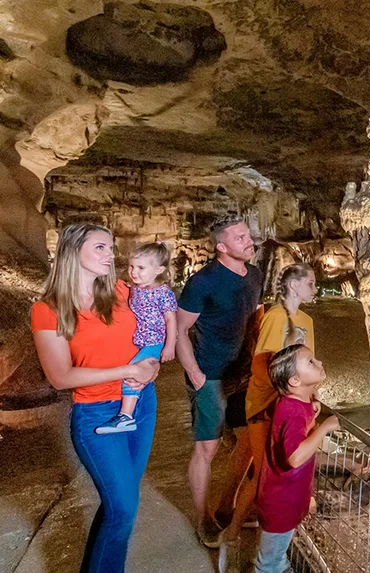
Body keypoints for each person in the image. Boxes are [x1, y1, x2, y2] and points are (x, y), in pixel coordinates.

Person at [31, 223, 160, 573]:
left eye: (110, 247)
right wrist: (127, 372)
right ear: (73, 251)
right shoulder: (49, 309)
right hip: (98, 413)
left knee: (122, 506)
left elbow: (152, 328)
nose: (110, 255)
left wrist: (154, 360)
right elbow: (60, 377)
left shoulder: (121, 291)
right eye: (101, 247)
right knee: (122, 509)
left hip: (141, 404)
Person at [175, 214, 263, 543]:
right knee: (207, 448)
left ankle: (228, 507)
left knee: (249, 441)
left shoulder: (254, 275)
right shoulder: (203, 282)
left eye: (247, 234)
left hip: (241, 373)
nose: (249, 240)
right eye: (240, 238)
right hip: (208, 374)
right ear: (222, 247)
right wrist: (195, 374)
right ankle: (204, 518)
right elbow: (181, 329)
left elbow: (252, 316)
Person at [220, 263, 318, 547]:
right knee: (266, 473)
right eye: (310, 282)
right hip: (266, 405)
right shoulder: (275, 316)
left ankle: (243, 520)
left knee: (271, 470)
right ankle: (234, 533)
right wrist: (284, 396)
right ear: (294, 285)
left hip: (291, 407)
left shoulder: (307, 321)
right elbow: (262, 363)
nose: (314, 288)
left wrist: (310, 398)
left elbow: (308, 364)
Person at [255, 344, 339, 573]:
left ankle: (282, 567)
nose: (319, 363)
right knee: (267, 563)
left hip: (286, 498)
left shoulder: (295, 403)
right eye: (311, 362)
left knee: (275, 555)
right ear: (294, 381)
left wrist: (312, 406)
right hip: (280, 504)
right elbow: (294, 457)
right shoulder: (291, 411)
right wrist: (324, 429)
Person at [96, 242, 177, 434]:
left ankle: (126, 416)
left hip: (153, 341)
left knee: (133, 374)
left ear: (159, 269)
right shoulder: (136, 288)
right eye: (132, 266)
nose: (134, 272)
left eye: (141, 268)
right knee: (136, 373)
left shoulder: (162, 292)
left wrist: (170, 346)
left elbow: (171, 319)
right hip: (140, 341)